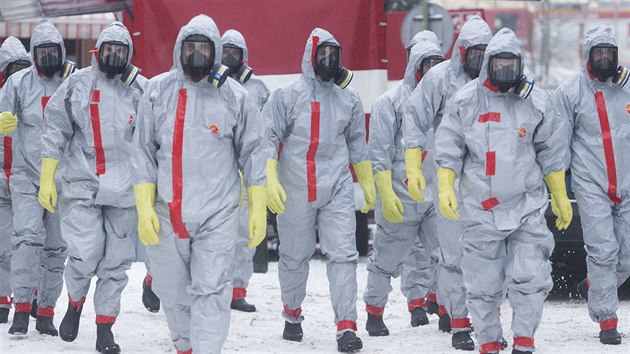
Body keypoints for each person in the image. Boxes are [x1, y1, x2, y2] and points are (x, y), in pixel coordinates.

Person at [132, 14, 267, 354]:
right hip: (167, 211)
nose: (196, 55)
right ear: (179, 49)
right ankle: (184, 346)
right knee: (171, 289)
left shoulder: (234, 96)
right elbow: (143, 151)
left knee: (211, 289)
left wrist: (259, 204)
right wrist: (145, 205)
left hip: (216, 214)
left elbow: (253, 151)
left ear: (215, 52)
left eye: (203, 49)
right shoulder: (157, 91)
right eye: (189, 48)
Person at [434, 28, 572, 354]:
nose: (506, 72)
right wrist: (444, 187)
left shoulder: (536, 101)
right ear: (488, 65)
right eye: (500, 65)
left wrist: (560, 196)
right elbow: (448, 148)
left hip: (526, 206)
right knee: (482, 286)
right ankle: (488, 342)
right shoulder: (466, 101)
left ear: (520, 64)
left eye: (512, 65)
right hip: (480, 207)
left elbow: (551, 151)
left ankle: (524, 341)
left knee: (530, 277)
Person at [264, 27, 375, 353]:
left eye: (333, 56)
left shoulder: (348, 99)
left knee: (343, 255)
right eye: (322, 55)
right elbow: (267, 139)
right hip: (295, 187)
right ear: (310, 57)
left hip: (336, 187)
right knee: (294, 257)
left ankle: (346, 327)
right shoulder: (285, 96)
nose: (328, 62)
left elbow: (357, 143)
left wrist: (366, 182)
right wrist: (270, 178)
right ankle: (292, 313)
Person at [38, 21, 145, 353]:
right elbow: (55, 127)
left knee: (116, 261)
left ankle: (104, 329)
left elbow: (157, 138)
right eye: (109, 50)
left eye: (121, 51)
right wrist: (47, 175)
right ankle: (75, 301)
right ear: (98, 51)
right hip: (83, 182)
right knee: (84, 253)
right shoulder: (77, 84)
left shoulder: (142, 89)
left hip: (126, 189)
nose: (114, 56)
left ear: (129, 54)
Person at [402, 15, 493, 350]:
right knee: (453, 255)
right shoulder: (439, 79)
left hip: (487, 179)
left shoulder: (499, 78)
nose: (480, 62)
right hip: (448, 178)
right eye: (474, 54)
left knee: (489, 254)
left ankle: (487, 320)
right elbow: (414, 118)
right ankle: (458, 323)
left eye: (486, 54)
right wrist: (413, 165)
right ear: (462, 51)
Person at [550, 25, 630, 345]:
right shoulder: (569, 92)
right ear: (588, 56)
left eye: (610, 54)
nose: (605, 60)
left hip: (627, 180)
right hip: (591, 181)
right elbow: (556, 143)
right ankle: (607, 320)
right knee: (603, 251)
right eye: (599, 53)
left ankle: (593, 285)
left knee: (626, 255)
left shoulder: (628, 86)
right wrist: (557, 186)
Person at [363, 35, 443, 337]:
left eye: (438, 64)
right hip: (399, 195)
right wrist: (384, 192)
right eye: (427, 65)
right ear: (415, 66)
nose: (433, 71)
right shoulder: (389, 103)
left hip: (435, 196)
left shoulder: (448, 103)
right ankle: (374, 311)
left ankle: (447, 309)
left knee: (448, 255)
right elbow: (379, 152)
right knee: (386, 259)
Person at [0, 19, 73, 336]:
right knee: (26, 239)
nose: (47, 57)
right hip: (26, 175)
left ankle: (45, 310)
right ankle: (21, 309)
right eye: (41, 51)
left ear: (60, 51)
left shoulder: (73, 82)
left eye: (52, 51)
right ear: (34, 53)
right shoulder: (18, 84)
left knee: (56, 248)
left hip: (62, 178)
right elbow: (3, 112)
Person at [221, 28, 270, 313]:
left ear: (244, 56)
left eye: (235, 53)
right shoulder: (211, 84)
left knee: (244, 235)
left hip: (246, 171)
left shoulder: (258, 89)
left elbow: (264, 133)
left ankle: (237, 291)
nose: (229, 58)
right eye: (225, 51)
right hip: (216, 171)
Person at [0, 36, 31, 324]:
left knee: (30, 244)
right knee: (2, 246)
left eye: (22, 68)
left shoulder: (35, 100)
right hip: (1, 182)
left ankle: (31, 297)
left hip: (28, 182)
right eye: (12, 69)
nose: (17, 76)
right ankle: (2, 299)